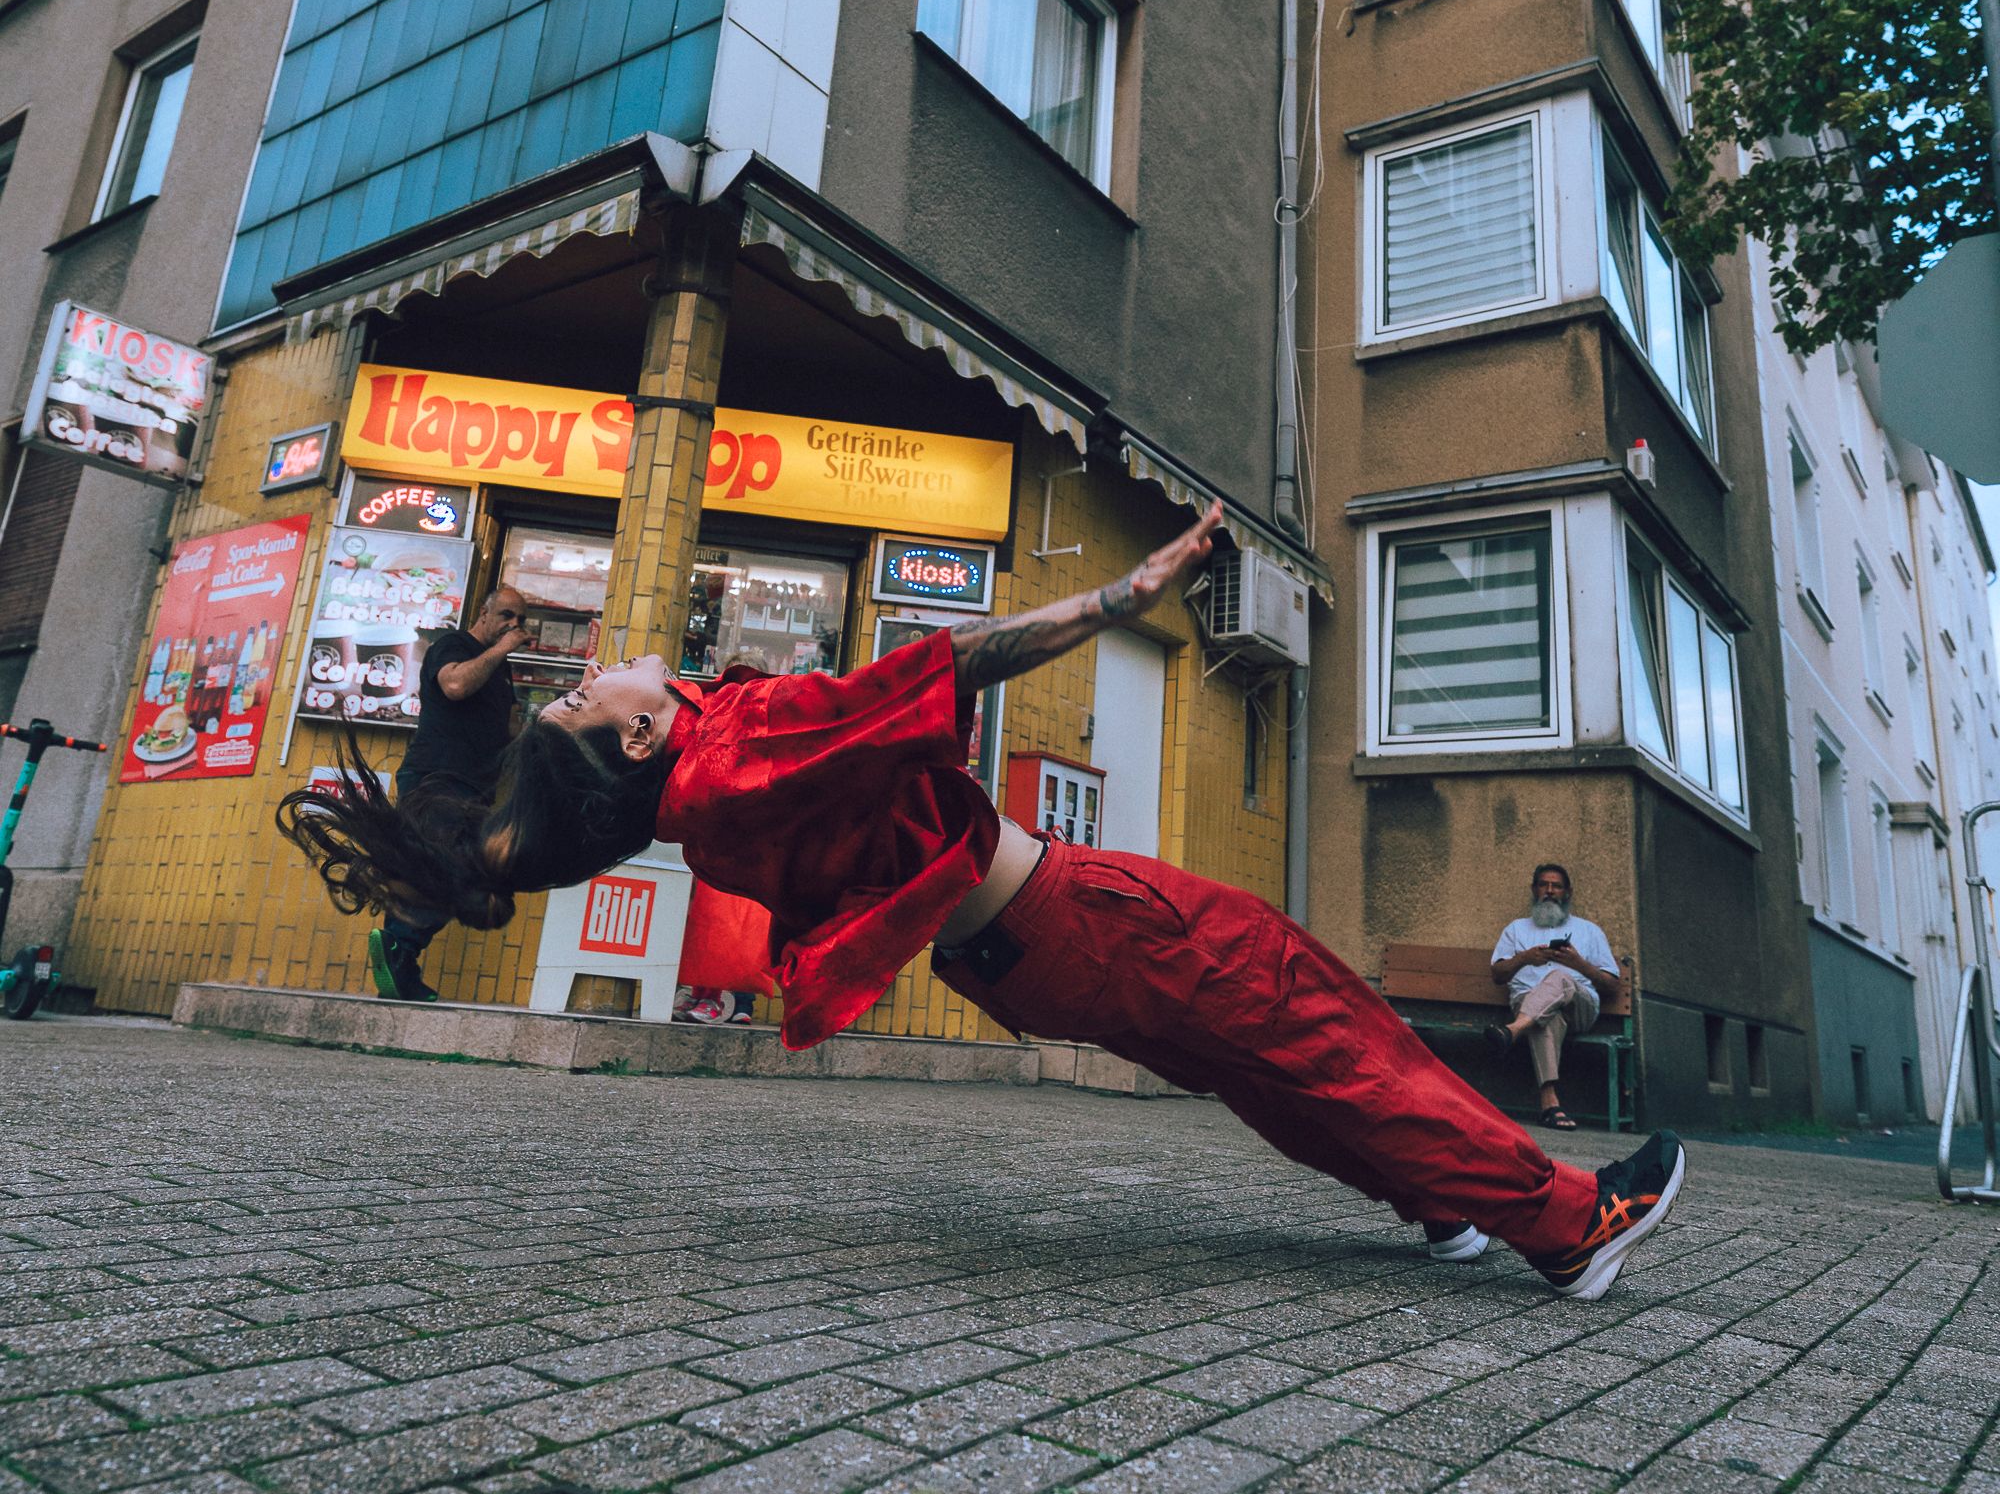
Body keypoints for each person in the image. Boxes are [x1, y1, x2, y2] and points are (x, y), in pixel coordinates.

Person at [282, 510, 1683, 1298]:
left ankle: (1435, 1196)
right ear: (641, 738)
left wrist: (468, 720)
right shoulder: (733, 744)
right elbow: (936, 672)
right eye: (601, 690)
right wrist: (1113, 600)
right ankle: (1568, 1224)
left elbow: (517, 846)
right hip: (1079, 912)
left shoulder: (699, 813)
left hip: (1018, 963)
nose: (616, 659)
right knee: (1314, 1014)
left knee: (1263, 1065)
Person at [364, 582, 529, 999]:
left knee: (450, 872)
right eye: (507, 615)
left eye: (521, 620)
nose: (515, 625)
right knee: (443, 870)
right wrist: (500, 651)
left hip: (474, 789)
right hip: (437, 780)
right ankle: (400, 945)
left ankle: (401, 961)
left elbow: (508, 731)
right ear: (484, 614)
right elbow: (454, 686)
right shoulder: (453, 645)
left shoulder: (499, 669)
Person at [1487, 865, 1622, 1133]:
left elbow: (1613, 986)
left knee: (1560, 977)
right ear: (1534, 889)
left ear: (1567, 892)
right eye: (1543, 885)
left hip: (1579, 1008)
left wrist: (1579, 964)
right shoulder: (1516, 929)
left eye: (1556, 886)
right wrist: (1525, 958)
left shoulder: (1589, 931)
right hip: (1529, 1003)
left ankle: (1512, 1031)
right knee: (1545, 1019)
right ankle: (1550, 1104)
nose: (1549, 891)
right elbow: (1498, 975)